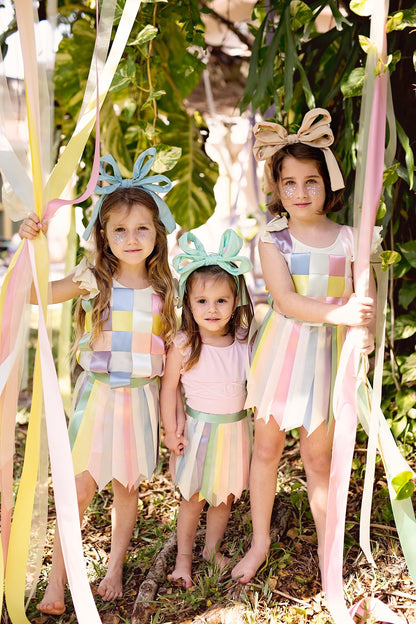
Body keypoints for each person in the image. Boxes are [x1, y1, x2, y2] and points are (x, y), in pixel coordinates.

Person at [18, 148, 178, 615]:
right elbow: (35, 294)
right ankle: (56, 581)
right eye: (120, 230)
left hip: (141, 401)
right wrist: (30, 246)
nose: (132, 238)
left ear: (157, 232)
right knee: (80, 489)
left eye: (142, 228)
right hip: (98, 399)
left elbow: (176, 352)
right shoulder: (93, 279)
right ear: (103, 235)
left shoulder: (167, 288)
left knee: (127, 489)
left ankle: (114, 568)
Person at [231, 109, 377, 586]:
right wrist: (341, 314)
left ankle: (327, 548)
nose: (300, 192)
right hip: (283, 353)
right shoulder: (274, 239)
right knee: (266, 449)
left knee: (318, 458)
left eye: (310, 181)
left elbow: (366, 298)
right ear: (276, 187)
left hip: (328, 357)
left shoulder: (351, 240)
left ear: (327, 182)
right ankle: (259, 542)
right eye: (289, 183)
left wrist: (365, 329)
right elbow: (286, 301)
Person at [160, 229, 254, 588]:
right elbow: (169, 388)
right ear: (188, 302)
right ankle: (183, 558)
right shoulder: (185, 343)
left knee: (224, 497)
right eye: (202, 301)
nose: (211, 309)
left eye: (221, 301)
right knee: (193, 498)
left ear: (235, 301)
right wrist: (171, 430)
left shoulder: (243, 341)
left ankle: (211, 550)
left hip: (234, 431)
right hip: (198, 432)